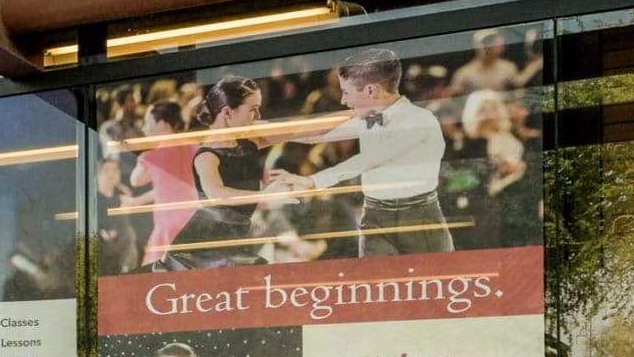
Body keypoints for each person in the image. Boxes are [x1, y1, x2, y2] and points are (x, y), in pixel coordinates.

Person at [269, 49, 451, 254]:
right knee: (373, 275)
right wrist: (264, 131)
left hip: (417, 218)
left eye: (347, 92)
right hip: (374, 215)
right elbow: (315, 135)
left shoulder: (419, 120)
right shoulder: (368, 119)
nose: (343, 101)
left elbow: (369, 160)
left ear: (371, 91)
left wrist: (312, 181)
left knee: (427, 275)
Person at [176, 77, 270, 267]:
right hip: (204, 246)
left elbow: (302, 132)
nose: (258, 116)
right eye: (252, 109)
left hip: (233, 239)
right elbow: (216, 193)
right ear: (227, 112)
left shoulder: (248, 143)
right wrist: (267, 196)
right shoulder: (207, 155)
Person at [129, 101, 199, 268]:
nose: (144, 128)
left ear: (161, 123)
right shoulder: (194, 147)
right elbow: (171, 188)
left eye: (148, 122)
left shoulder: (152, 157)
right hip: (194, 219)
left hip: (167, 224)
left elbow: (135, 180)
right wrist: (138, 201)